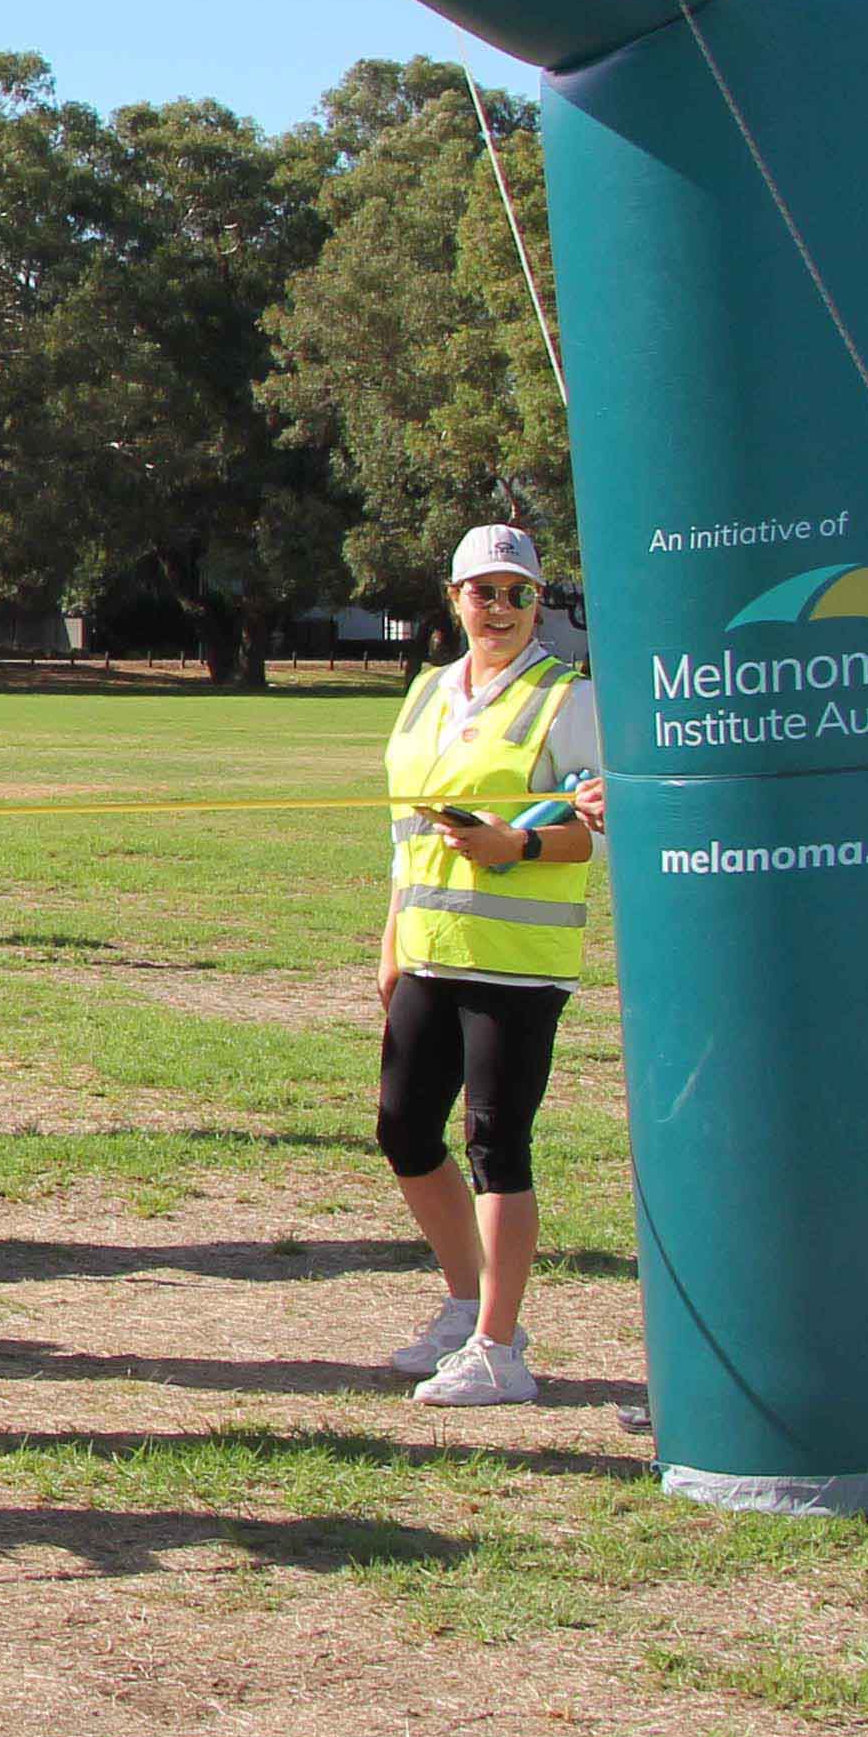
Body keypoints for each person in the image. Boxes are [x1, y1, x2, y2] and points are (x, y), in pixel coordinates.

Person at [369, 524, 608, 1410]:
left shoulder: (567, 697)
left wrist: (522, 843)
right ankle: (465, 1304)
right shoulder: (427, 692)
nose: (500, 608)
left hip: (517, 962)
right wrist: (393, 937)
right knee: (404, 1131)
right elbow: (406, 831)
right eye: (484, 591)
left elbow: (597, 826)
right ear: (454, 599)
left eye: (518, 594)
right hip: (429, 950)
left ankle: (500, 1349)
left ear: (538, 603)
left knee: (496, 1145)